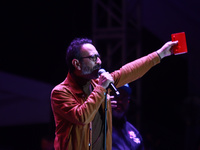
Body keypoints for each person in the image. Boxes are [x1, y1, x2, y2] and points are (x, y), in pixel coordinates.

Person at [50, 37, 178, 150]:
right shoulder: (61, 92)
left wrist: (159, 54)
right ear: (77, 63)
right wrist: (100, 89)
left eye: (98, 56)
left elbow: (128, 71)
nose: (99, 61)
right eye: (93, 58)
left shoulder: (96, 84)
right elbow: (82, 117)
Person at [111, 84, 144, 150]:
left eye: (124, 98)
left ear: (128, 101)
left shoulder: (134, 132)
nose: (120, 101)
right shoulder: (97, 125)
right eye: (116, 96)